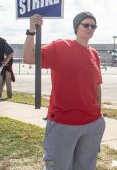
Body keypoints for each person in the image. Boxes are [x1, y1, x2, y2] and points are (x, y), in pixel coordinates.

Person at [23, 12, 105, 170]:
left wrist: (99, 112)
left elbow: (97, 85)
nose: (90, 28)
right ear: (76, 27)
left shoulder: (94, 54)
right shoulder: (60, 46)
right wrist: (31, 31)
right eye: (86, 25)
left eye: (93, 26)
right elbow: (29, 58)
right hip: (64, 123)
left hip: (92, 123)